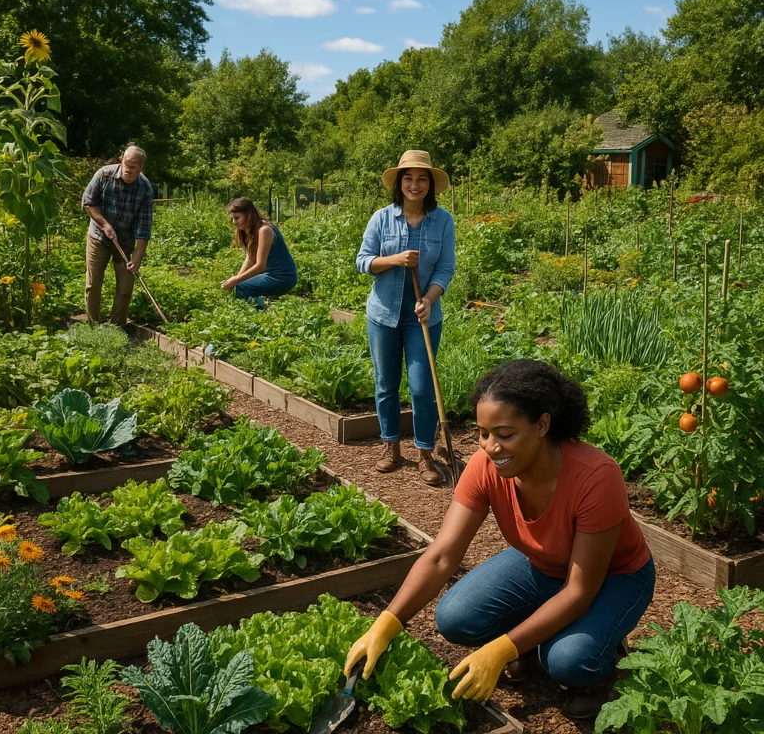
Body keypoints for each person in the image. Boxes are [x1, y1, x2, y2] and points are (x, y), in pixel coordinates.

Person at [344, 359, 654, 720]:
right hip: (542, 563)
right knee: (455, 617)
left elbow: (578, 591)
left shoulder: (595, 477)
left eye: (505, 434)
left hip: (614, 577)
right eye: (483, 433)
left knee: (568, 661)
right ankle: (533, 639)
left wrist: (500, 650)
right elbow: (442, 556)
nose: (491, 447)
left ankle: (603, 664)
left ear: (542, 425)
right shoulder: (485, 467)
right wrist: (386, 624)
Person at [356, 150, 456, 486]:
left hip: (422, 317)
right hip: (383, 314)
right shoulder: (382, 218)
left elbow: (446, 267)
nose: (415, 184)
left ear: (430, 184)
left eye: (422, 178)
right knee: (386, 383)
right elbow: (363, 261)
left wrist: (428, 299)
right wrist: (396, 259)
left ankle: (425, 453)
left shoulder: (443, 221)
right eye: (409, 178)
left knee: (422, 387)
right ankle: (391, 446)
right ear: (399, 183)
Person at [82, 145, 154, 326]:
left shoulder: (145, 188)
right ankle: (92, 327)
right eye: (125, 164)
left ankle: (117, 327)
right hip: (98, 237)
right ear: (121, 160)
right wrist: (105, 224)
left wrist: (137, 257)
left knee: (125, 287)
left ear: (141, 167)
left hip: (125, 240)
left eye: (133, 167)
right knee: (93, 284)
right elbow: (88, 202)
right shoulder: (104, 175)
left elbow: (144, 227)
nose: (127, 170)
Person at [221, 197, 297, 309]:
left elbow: (260, 266)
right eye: (233, 218)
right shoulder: (251, 229)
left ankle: (258, 313)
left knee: (241, 287)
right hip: (270, 275)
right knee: (239, 285)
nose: (234, 222)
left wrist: (236, 281)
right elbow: (251, 258)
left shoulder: (264, 230)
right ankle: (259, 308)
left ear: (249, 214)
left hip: (282, 278)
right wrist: (235, 279)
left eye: (237, 218)